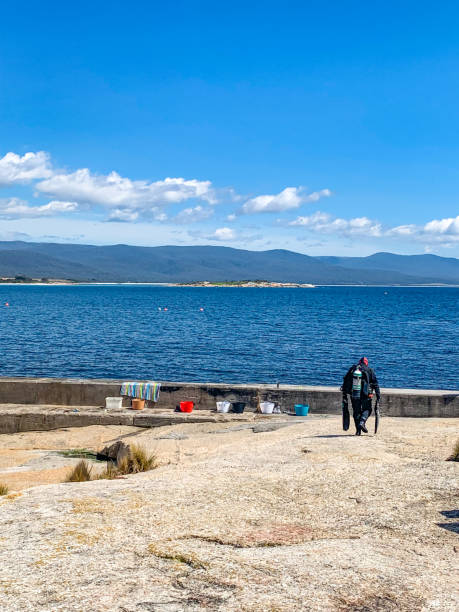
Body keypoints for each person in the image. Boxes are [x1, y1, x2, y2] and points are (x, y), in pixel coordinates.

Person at [342, 357, 380, 435]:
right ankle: (362, 422)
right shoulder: (369, 370)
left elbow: (345, 380)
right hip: (366, 394)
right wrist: (378, 395)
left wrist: (345, 394)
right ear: (366, 363)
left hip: (354, 393)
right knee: (368, 409)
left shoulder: (353, 369)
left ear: (359, 362)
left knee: (356, 411)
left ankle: (358, 431)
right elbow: (375, 384)